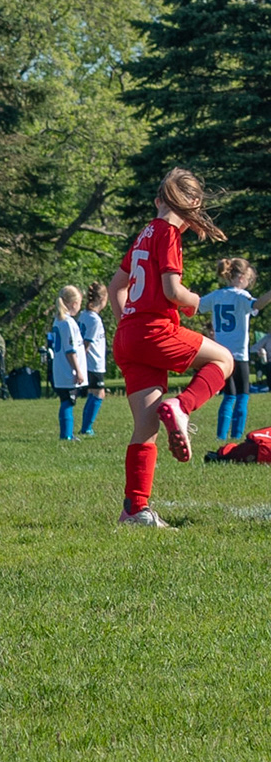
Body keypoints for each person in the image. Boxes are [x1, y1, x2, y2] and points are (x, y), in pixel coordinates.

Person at [110, 168, 234, 527]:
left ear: (160, 198)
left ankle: (134, 510)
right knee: (223, 359)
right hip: (153, 330)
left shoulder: (144, 233)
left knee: (145, 427)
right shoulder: (166, 233)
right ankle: (182, 407)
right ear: (192, 201)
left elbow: (117, 285)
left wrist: (127, 322)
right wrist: (192, 301)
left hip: (128, 337)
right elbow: (171, 291)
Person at [198, 257, 257, 442]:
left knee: (228, 396)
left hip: (221, 355)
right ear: (241, 277)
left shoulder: (216, 295)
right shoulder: (242, 296)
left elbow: (197, 306)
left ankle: (221, 436)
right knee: (242, 396)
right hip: (239, 354)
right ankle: (237, 436)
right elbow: (257, 305)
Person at [50, 286, 87, 440]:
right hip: (67, 369)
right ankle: (66, 435)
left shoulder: (58, 320)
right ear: (73, 304)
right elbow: (70, 350)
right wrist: (77, 370)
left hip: (59, 368)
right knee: (68, 401)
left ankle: (67, 433)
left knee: (66, 401)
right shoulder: (68, 323)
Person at [77, 282, 110, 435]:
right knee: (99, 393)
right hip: (93, 363)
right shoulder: (94, 320)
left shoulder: (84, 315)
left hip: (90, 363)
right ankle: (87, 428)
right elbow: (86, 344)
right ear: (102, 298)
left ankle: (86, 426)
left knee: (93, 393)